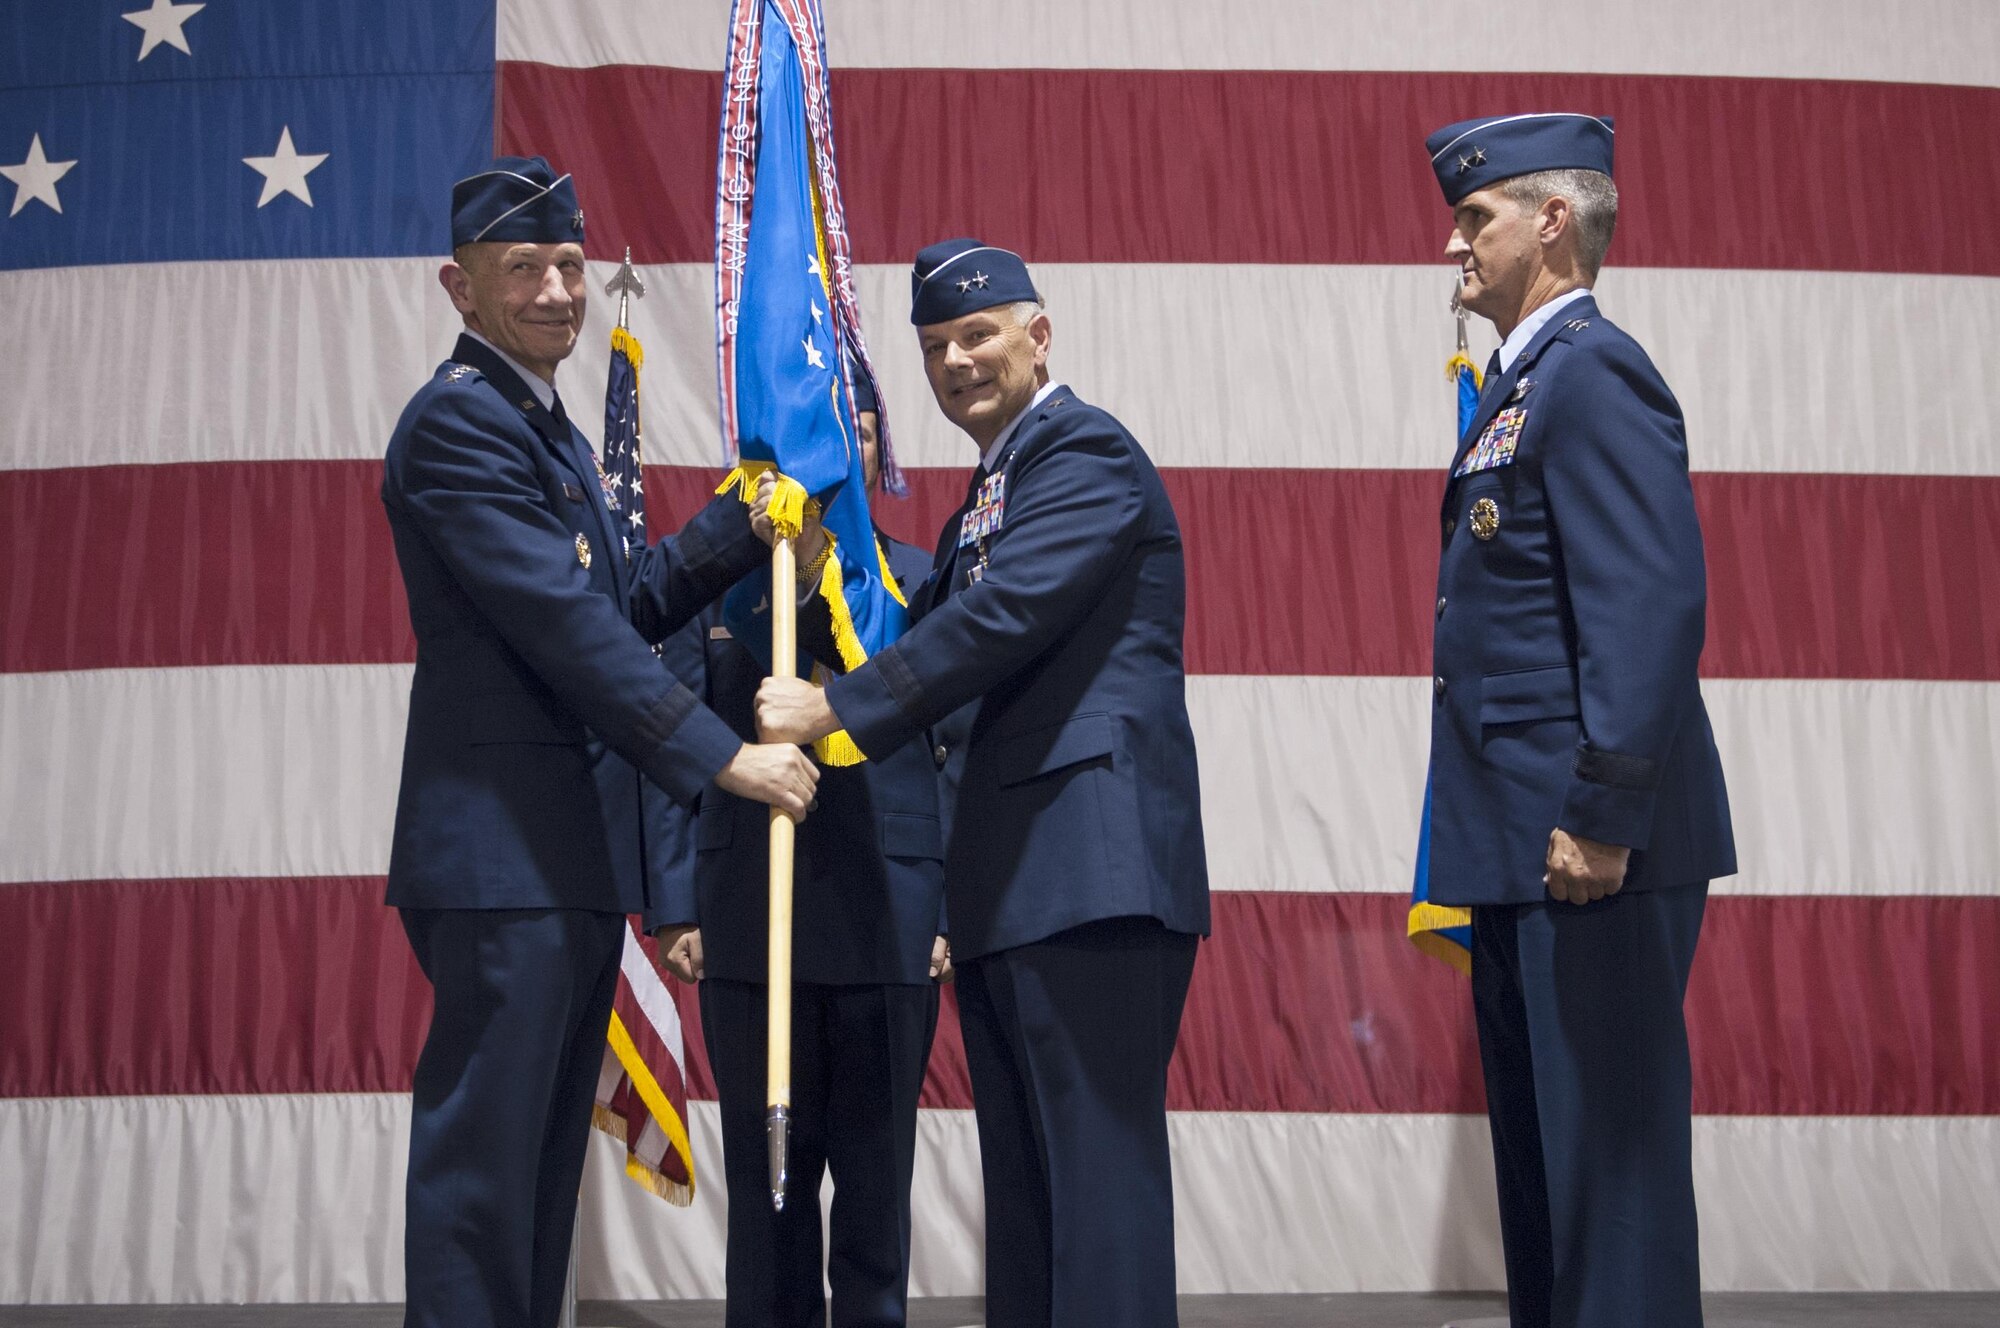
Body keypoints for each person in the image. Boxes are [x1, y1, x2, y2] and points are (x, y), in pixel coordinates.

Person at [379, 154, 818, 1328]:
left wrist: (737, 515)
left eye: (570, 264)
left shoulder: (548, 432)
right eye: (521, 267)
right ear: (458, 287)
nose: (557, 290)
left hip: (559, 862)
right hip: (497, 859)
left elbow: (618, 606)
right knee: (485, 1170)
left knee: (532, 1179)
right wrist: (726, 759)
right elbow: (565, 629)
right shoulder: (458, 426)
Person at [756, 239, 1211, 1328]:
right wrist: (802, 546)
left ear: (1038, 334)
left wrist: (832, 712)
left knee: (1095, 1201)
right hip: (1016, 887)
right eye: (933, 347)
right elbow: (910, 636)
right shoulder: (989, 495)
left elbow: (994, 624)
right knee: (1030, 1205)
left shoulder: (1083, 455)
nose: (955, 360)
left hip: (1091, 876)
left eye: (977, 334)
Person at [1419, 115, 1736, 1328]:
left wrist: (1600, 810)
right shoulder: (1525, 384)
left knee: (1612, 1190)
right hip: (1522, 846)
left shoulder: (1592, 370)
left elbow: (1645, 603)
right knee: (1548, 1193)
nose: (1451, 241)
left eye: (1473, 216)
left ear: (1551, 220)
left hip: (1585, 847)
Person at [650, 368, 951, 1328]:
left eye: (853, 435)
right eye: (811, 442)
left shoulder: (919, 583)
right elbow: (667, 740)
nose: (835, 457)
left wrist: (950, 908)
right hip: (749, 920)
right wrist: (676, 901)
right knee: (769, 1206)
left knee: (874, 1203)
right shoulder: (723, 596)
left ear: (876, 453)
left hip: (890, 916)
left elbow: (957, 755)